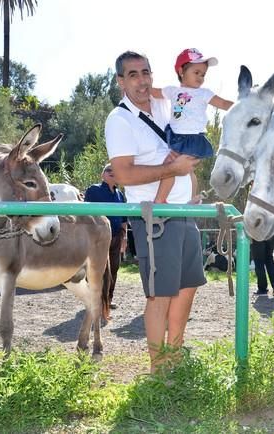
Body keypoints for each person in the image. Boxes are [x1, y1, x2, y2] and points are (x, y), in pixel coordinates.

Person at [105, 50, 207, 373]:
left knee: (187, 286)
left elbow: (189, 134)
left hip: (185, 211)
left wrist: (188, 173)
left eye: (146, 72)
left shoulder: (166, 105)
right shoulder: (119, 120)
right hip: (156, 219)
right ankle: (158, 369)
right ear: (121, 81)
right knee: (160, 295)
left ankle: (174, 358)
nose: (142, 80)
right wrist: (172, 170)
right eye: (132, 74)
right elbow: (122, 175)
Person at [150, 48, 234, 203]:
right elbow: (152, 92)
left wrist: (242, 107)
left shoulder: (203, 93)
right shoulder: (172, 91)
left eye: (203, 74)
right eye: (196, 73)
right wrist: (136, 88)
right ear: (181, 71)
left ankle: (160, 200)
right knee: (187, 170)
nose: (201, 78)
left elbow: (222, 103)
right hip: (177, 136)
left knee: (170, 165)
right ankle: (192, 198)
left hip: (193, 138)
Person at [84, 163, 128, 309]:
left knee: (114, 268)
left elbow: (123, 218)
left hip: (116, 236)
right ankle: (94, 299)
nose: (112, 172)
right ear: (102, 174)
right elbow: (87, 214)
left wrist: (125, 238)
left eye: (115, 170)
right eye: (109, 170)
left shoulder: (120, 194)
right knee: (97, 269)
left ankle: (108, 299)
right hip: (98, 238)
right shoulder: (93, 190)